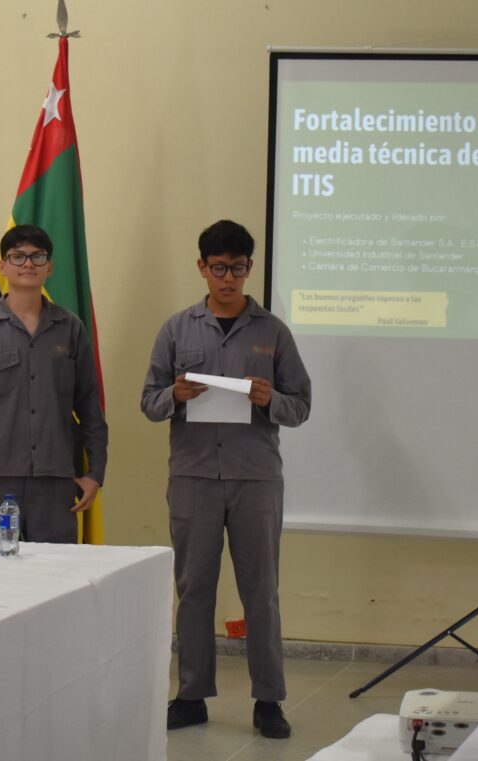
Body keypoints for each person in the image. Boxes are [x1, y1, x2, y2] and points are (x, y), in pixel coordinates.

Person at [141, 220, 311, 739]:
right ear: (202, 268)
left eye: (237, 268)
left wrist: (269, 401)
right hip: (193, 476)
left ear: (249, 269)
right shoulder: (177, 328)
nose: (229, 279)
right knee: (194, 589)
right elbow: (148, 403)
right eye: (219, 268)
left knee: (261, 591)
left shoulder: (273, 332)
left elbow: (301, 406)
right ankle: (191, 694)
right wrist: (175, 395)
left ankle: (268, 700)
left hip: (255, 478)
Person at [0, 225, 108, 543]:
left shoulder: (70, 328)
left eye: (38, 256)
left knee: (55, 581)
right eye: (18, 256)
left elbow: (91, 407)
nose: (28, 264)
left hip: (56, 478)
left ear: (49, 267)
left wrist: (95, 474)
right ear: (2, 266)